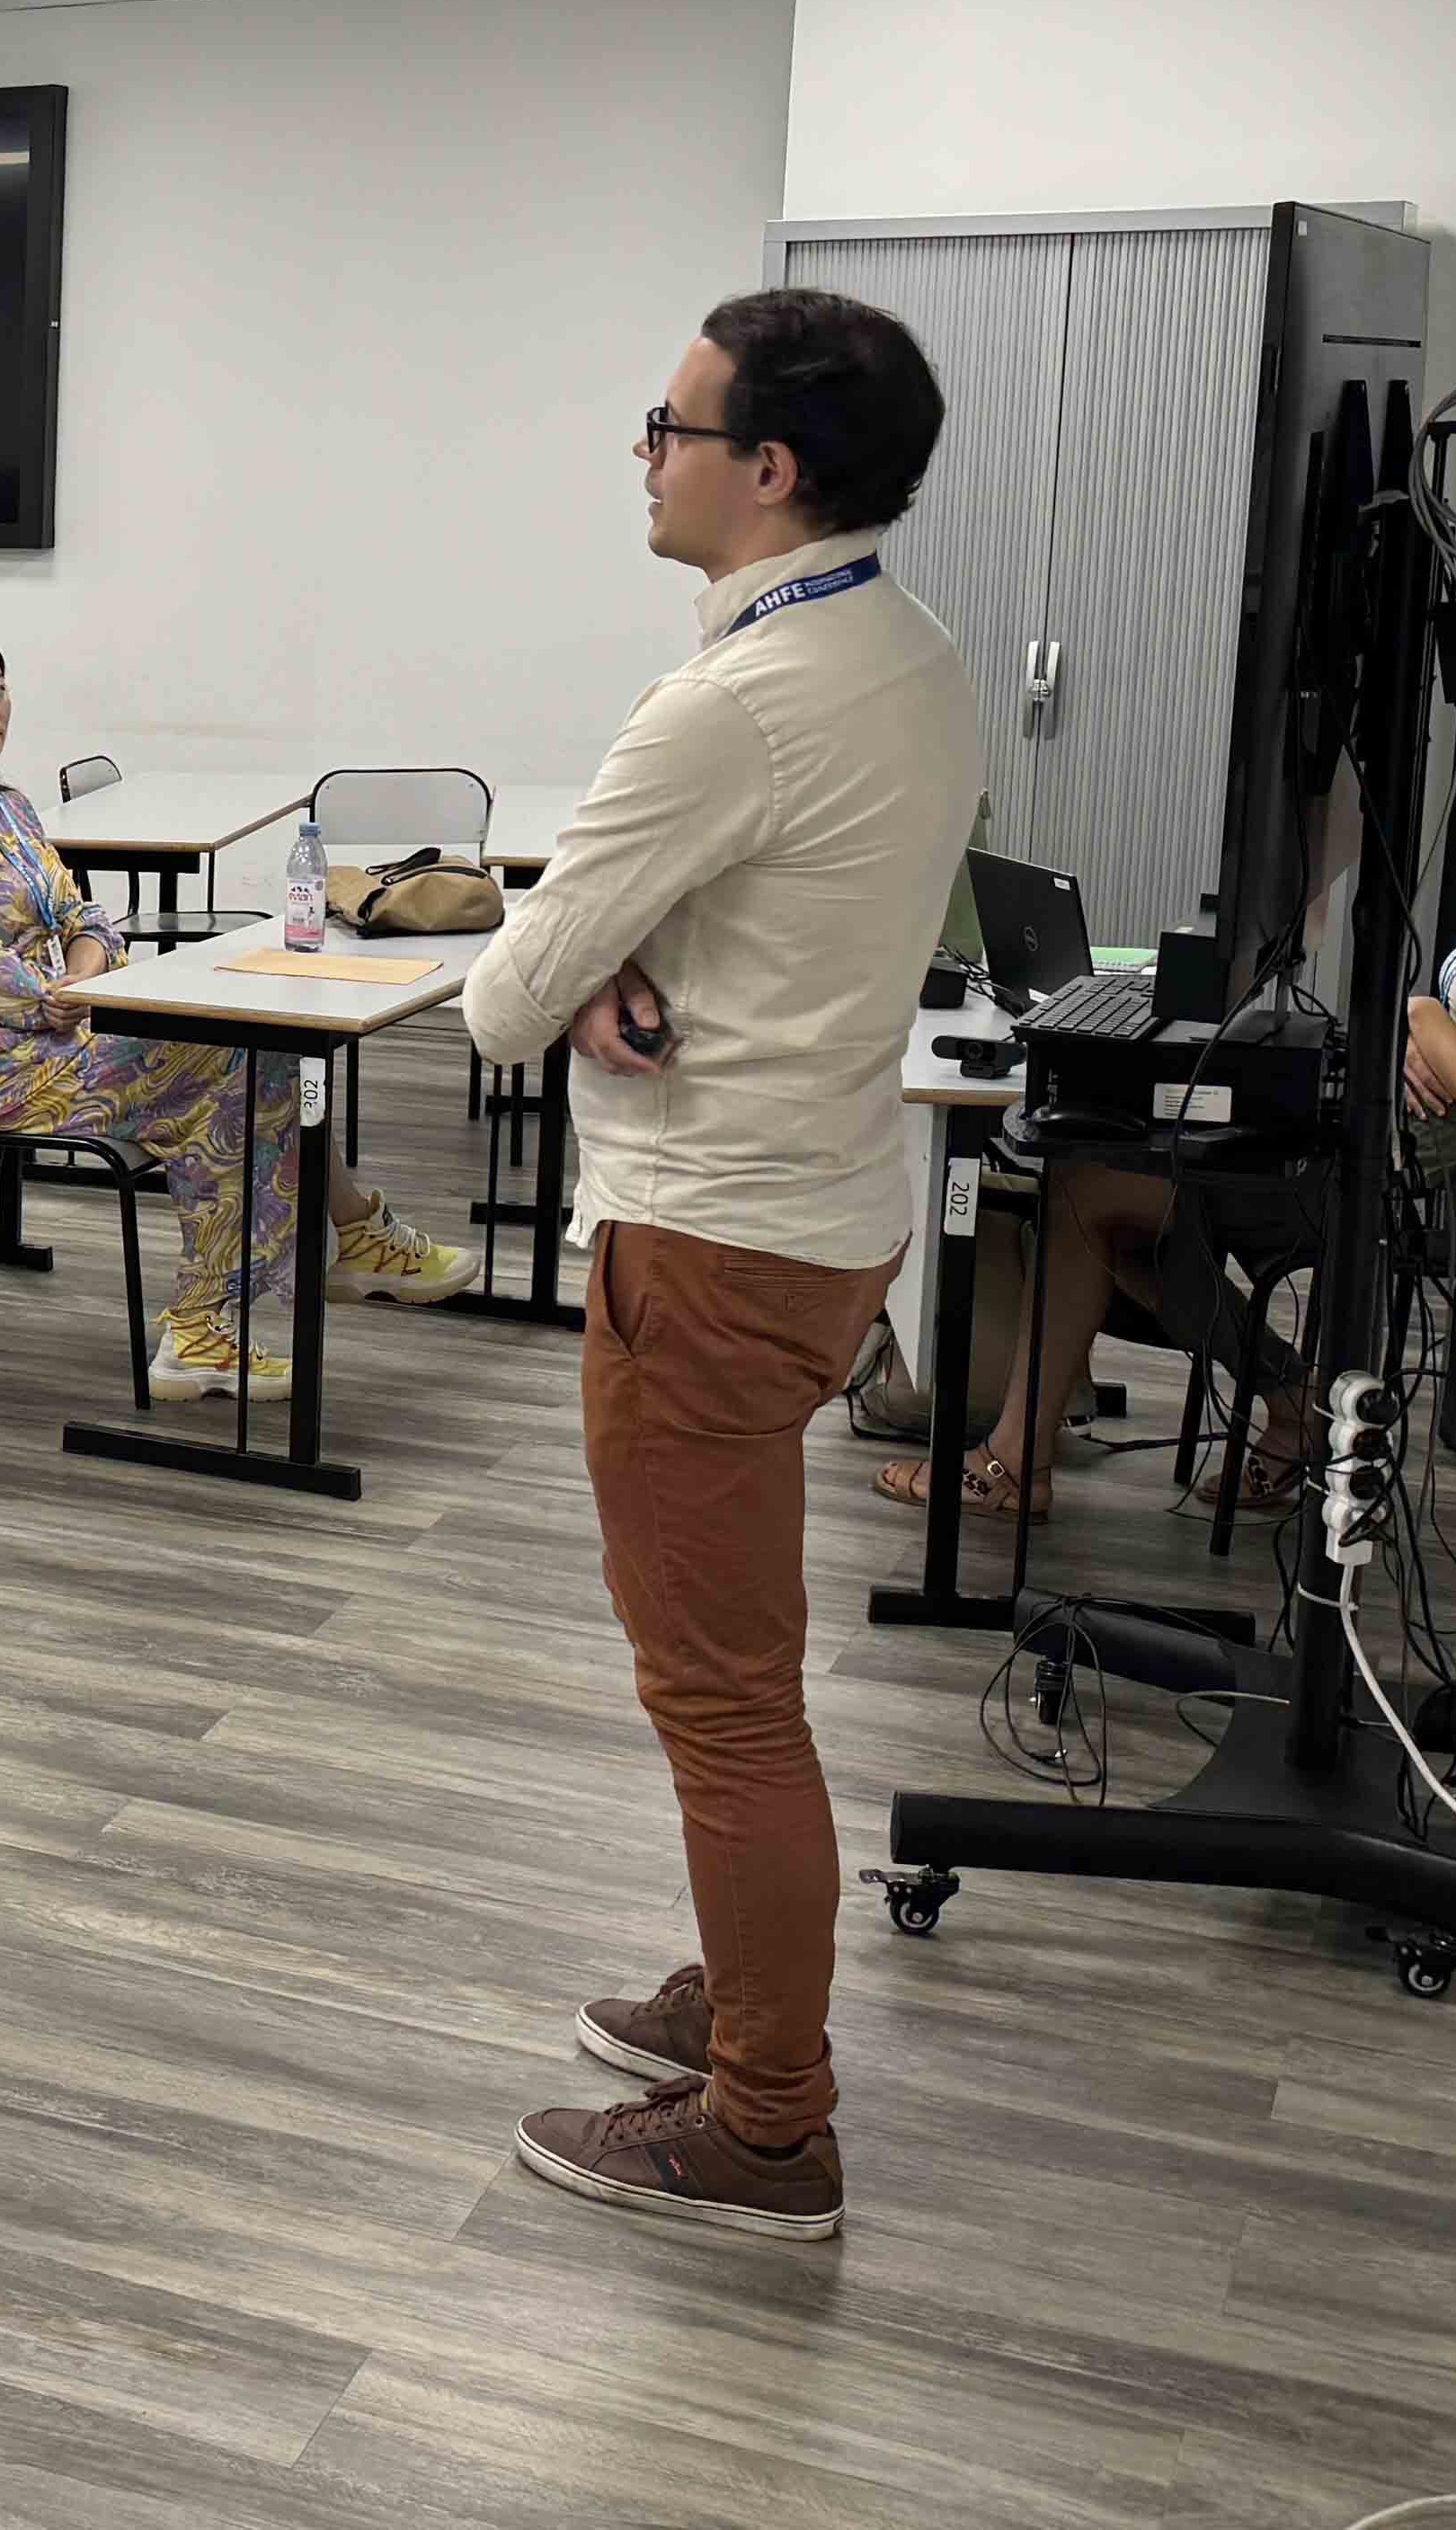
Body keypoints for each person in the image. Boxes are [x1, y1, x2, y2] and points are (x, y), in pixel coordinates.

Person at [461, 288, 976, 2244]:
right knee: (738, 1678)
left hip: (704, 1245)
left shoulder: (727, 705)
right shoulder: (909, 653)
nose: (645, 455)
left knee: (725, 1700)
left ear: (767, 468)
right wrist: (626, 960)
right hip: (825, 1222)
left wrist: (586, 963)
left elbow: (502, 1001)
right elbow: (765, 921)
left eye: (668, 428)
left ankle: (766, 2122)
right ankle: (748, 1984)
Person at [878, 663, 1456, 1524]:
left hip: (1445, 1180)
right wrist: (1411, 1038)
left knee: (1099, 1189)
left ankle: (1060, 1453)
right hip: (1399, 1130)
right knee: (1103, 1184)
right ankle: (1263, 1402)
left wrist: (1417, 1018)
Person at [0, 623, 472, 1398]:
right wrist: (65, 999)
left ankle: (245, 1300)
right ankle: (273, 1283)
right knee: (243, 1063)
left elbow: (88, 919)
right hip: (3, 1067)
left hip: (70, 1025)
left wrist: (80, 981)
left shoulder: (13, 809)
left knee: (265, 1053)